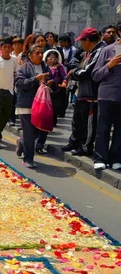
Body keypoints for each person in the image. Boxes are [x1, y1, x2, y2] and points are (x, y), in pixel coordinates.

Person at [61, 28, 104, 156]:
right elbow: (76, 63)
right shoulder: (87, 52)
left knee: (88, 123)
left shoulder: (100, 51)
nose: (80, 44)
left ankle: (85, 147)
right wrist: (75, 70)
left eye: (82, 41)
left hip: (92, 94)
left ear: (87, 40)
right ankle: (74, 142)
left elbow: (87, 72)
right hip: (82, 91)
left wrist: (73, 73)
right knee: (77, 120)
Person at [91, 21, 121, 171]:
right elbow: (95, 75)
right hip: (107, 95)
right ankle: (100, 158)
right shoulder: (108, 50)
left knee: (119, 130)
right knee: (103, 128)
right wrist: (110, 65)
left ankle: (116, 158)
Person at [14, 45, 50, 169]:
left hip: (41, 104)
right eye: (37, 53)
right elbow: (19, 83)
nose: (40, 55)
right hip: (26, 105)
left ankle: (22, 142)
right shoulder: (24, 67)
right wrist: (36, 79)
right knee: (29, 132)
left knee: (37, 132)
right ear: (30, 55)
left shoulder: (45, 66)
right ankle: (28, 158)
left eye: (42, 53)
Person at [43, 49, 67, 129]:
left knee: (54, 107)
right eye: (50, 58)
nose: (52, 60)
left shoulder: (59, 67)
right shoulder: (44, 66)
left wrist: (57, 81)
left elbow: (64, 77)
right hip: (44, 89)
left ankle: (53, 121)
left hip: (55, 90)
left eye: (54, 58)